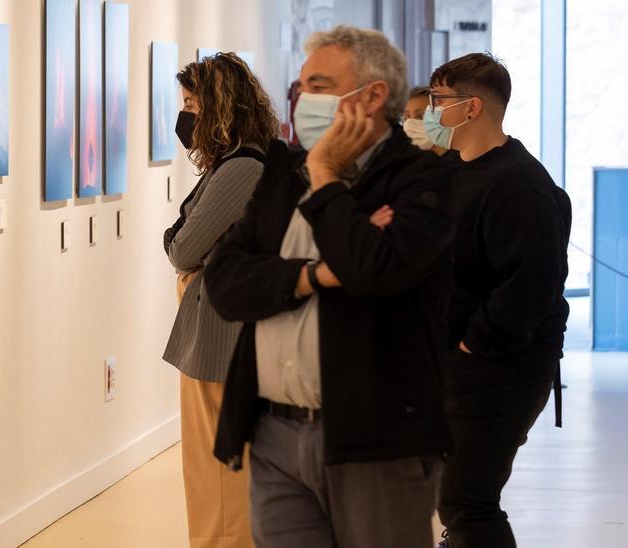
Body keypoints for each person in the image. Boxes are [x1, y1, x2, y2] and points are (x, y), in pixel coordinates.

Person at [202, 25, 455, 548]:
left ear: (372, 95)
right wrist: (310, 275)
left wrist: (325, 178)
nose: (302, 100)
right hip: (274, 431)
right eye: (301, 87)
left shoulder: (421, 179)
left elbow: (370, 269)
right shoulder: (281, 172)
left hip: (376, 437)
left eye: (318, 85)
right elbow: (224, 282)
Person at [423, 53, 571, 548]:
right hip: (461, 362)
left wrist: (474, 344)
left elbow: (531, 285)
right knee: (457, 496)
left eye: (439, 99)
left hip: (500, 366)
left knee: (467, 498)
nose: (429, 110)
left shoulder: (519, 185)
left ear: (472, 108)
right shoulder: (455, 170)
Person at [162, 52, 279, 548]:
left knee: (220, 475)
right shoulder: (236, 163)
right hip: (220, 334)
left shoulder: (242, 168)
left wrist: (176, 243)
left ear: (219, 107)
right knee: (212, 472)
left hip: (222, 340)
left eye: (192, 104)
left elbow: (184, 246)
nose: (186, 116)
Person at [403, 86, 446, 154]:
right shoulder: (410, 160)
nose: (410, 123)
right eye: (406, 117)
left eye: (420, 116)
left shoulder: (460, 161)